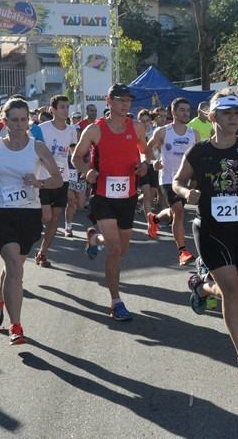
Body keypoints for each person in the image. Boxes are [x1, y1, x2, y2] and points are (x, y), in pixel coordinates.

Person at [174, 93, 238, 387]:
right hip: (210, 229)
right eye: (228, 113)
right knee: (232, 291)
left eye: (237, 113)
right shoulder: (199, 152)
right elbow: (178, 181)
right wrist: (185, 193)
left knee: (235, 291)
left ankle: (201, 287)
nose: (234, 118)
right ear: (213, 117)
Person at [0, 98, 63, 345]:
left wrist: (39, 183)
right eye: (14, 120)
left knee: (14, 268)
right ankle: (16, 325)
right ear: (5, 121)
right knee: (16, 270)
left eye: (23, 120)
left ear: (28, 120)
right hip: (1, 214)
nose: (20, 125)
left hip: (29, 215)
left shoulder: (38, 147)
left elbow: (57, 179)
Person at [71, 84, 149, 321]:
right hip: (103, 196)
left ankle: (95, 238)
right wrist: (87, 171)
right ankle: (116, 302)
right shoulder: (95, 130)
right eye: (120, 100)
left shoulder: (136, 126)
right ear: (109, 101)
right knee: (114, 250)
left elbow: (144, 151)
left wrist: (144, 163)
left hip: (128, 196)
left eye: (128, 101)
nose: (125, 105)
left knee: (122, 249)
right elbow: (76, 157)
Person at [146, 97, 199, 266]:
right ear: (173, 112)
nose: (185, 113)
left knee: (175, 211)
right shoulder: (163, 132)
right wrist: (154, 161)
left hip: (186, 180)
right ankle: (182, 251)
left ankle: (154, 219)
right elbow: (149, 149)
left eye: (187, 110)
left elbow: (199, 158)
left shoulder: (193, 133)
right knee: (179, 212)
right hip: (168, 179)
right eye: (182, 110)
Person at [35, 95, 77, 267]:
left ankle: (43, 253)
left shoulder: (71, 130)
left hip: (62, 179)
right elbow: (31, 150)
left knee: (55, 218)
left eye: (67, 107)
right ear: (53, 110)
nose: (66, 110)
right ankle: (29, 232)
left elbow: (74, 154)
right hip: (43, 178)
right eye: (62, 107)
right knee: (46, 216)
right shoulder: (41, 129)